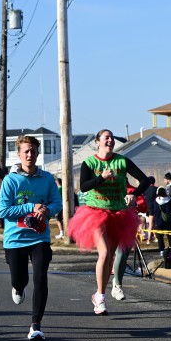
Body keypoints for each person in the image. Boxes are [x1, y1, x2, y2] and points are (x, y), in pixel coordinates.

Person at [66, 129, 153, 314]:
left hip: (118, 213)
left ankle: (102, 293)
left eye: (112, 138)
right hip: (95, 212)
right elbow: (84, 186)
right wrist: (101, 177)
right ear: (98, 142)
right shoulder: (90, 163)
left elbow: (145, 180)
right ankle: (100, 297)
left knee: (110, 257)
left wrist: (134, 194)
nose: (110, 140)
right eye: (106, 138)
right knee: (104, 253)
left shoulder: (122, 161)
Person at [0, 135, 62, 340]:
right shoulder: (10, 180)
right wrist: (31, 207)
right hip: (15, 238)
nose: (30, 154)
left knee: (40, 277)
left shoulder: (47, 178)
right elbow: (2, 211)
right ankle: (18, 288)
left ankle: (36, 325)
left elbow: (57, 203)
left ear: (37, 153)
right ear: (19, 154)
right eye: (26, 151)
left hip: (39, 237)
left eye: (33, 151)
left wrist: (46, 210)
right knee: (20, 280)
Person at [152, 187, 171, 253]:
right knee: (170, 237)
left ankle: (162, 250)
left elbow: (154, 210)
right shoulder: (168, 200)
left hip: (158, 221)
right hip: (167, 221)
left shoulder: (156, 200)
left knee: (160, 237)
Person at [141, 175, 157, 243]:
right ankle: (149, 239)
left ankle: (155, 236)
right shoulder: (156, 189)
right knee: (151, 223)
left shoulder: (145, 189)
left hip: (146, 206)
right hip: (152, 207)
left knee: (151, 222)